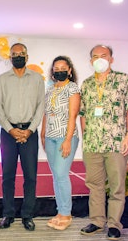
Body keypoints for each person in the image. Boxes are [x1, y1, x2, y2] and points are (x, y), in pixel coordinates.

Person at [78, 45, 128, 240]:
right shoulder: (86, 84)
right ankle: (97, 220)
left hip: (116, 141)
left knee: (117, 185)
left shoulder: (123, 79)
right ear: (90, 60)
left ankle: (114, 224)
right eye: (95, 56)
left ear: (111, 59)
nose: (99, 59)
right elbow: (83, 113)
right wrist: (86, 136)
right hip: (92, 143)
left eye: (104, 56)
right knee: (95, 184)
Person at [0, 42, 45, 231]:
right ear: (9, 57)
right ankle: (8, 214)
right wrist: (10, 129)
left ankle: (27, 215)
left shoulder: (37, 79)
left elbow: (40, 106)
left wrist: (30, 130)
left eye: (21, 53)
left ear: (27, 56)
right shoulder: (1, 80)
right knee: (7, 176)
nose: (17, 56)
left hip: (29, 134)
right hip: (8, 134)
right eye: (14, 54)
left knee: (30, 176)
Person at [41, 56, 80, 231]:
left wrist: (67, 140)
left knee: (62, 174)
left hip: (66, 136)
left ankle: (66, 213)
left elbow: (73, 115)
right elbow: (45, 113)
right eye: (56, 68)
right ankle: (59, 211)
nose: (59, 70)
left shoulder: (73, 88)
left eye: (63, 67)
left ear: (70, 70)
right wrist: (43, 134)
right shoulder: (50, 89)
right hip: (50, 136)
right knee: (56, 175)